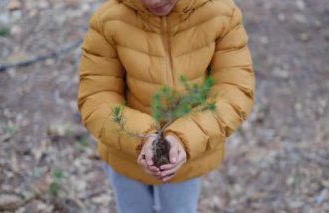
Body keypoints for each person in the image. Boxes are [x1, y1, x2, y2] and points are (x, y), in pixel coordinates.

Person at [77, 0, 255, 211]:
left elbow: (234, 91)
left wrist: (184, 138)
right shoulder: (108, 20)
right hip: (125, 152)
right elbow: (97, 97)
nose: (154, 2)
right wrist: (140, 138)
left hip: (187, 155)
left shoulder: (221, 14)